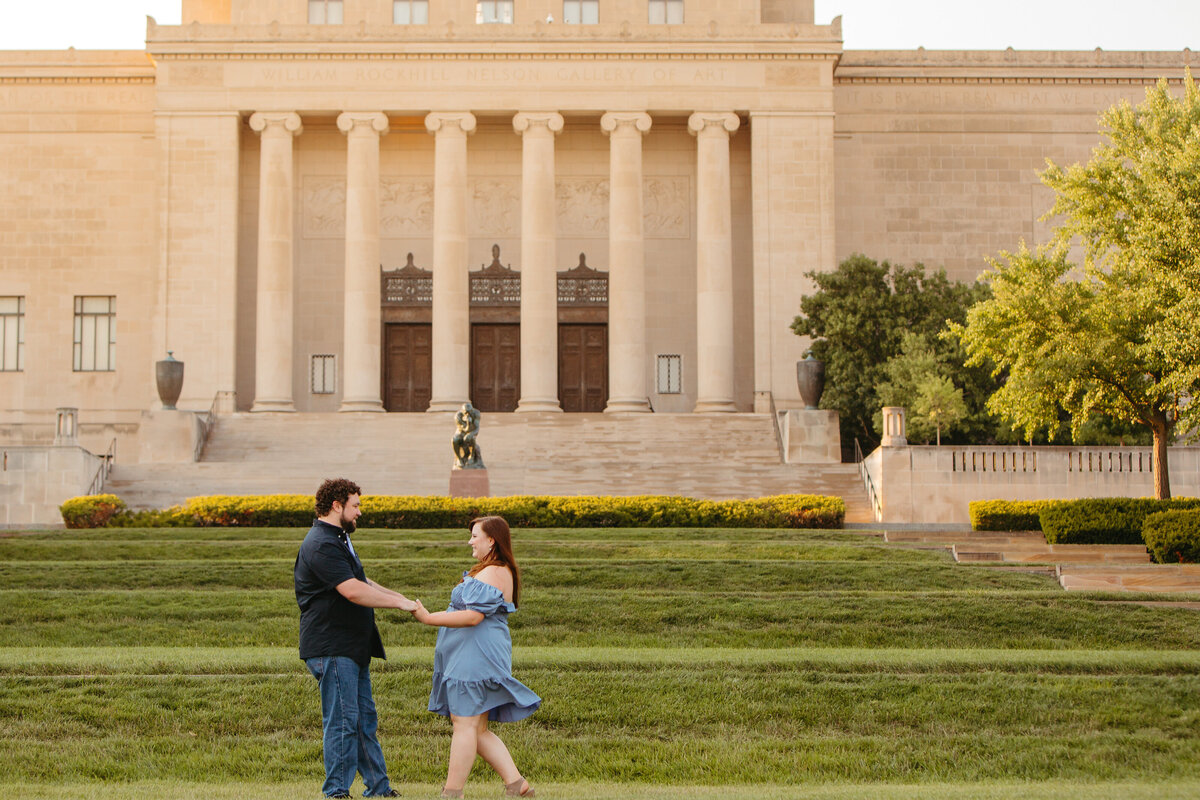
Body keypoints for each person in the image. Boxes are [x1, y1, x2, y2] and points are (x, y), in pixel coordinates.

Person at [294, 477, 416, 799]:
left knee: (364, 721)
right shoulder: (321, 543)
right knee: (344, 722)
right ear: (337, 506)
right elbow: (351, 590)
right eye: (356, 505)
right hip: (331, 646)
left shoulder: (337, 539)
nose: (360, 512)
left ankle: (379, 789)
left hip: (351, 647)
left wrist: (399, 596)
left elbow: (362, 580)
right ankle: (336, 792)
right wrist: (398, 603)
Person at [410, 516, 541, 799]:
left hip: (476, 655)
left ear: (491, 540)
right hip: (470, 654)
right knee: (476, 728)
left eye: (474, 536)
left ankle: (452, 793)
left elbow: (473, 616)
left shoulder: (495, 571)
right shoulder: (489, 569)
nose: (470, 541)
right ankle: (517, 785)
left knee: (465, 724)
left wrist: (428, 618)